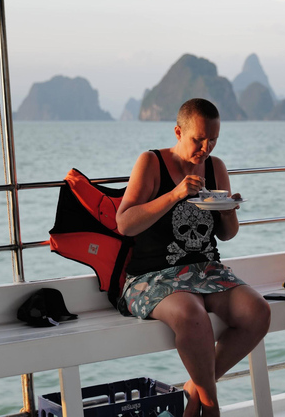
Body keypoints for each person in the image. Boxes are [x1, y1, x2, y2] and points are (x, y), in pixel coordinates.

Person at [115, 98, 270, 417]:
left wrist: (228, 211)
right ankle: (211, 406)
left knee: (258, 312)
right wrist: (175, 194)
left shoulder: (216, 168)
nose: (206, 147)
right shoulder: (152, 162)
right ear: (177, 132)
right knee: (192, 315)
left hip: (207, 270)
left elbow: (227, 234)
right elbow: (125, 223)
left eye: (213, 139)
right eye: (198, 139)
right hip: (152, 275)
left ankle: (193, 391)